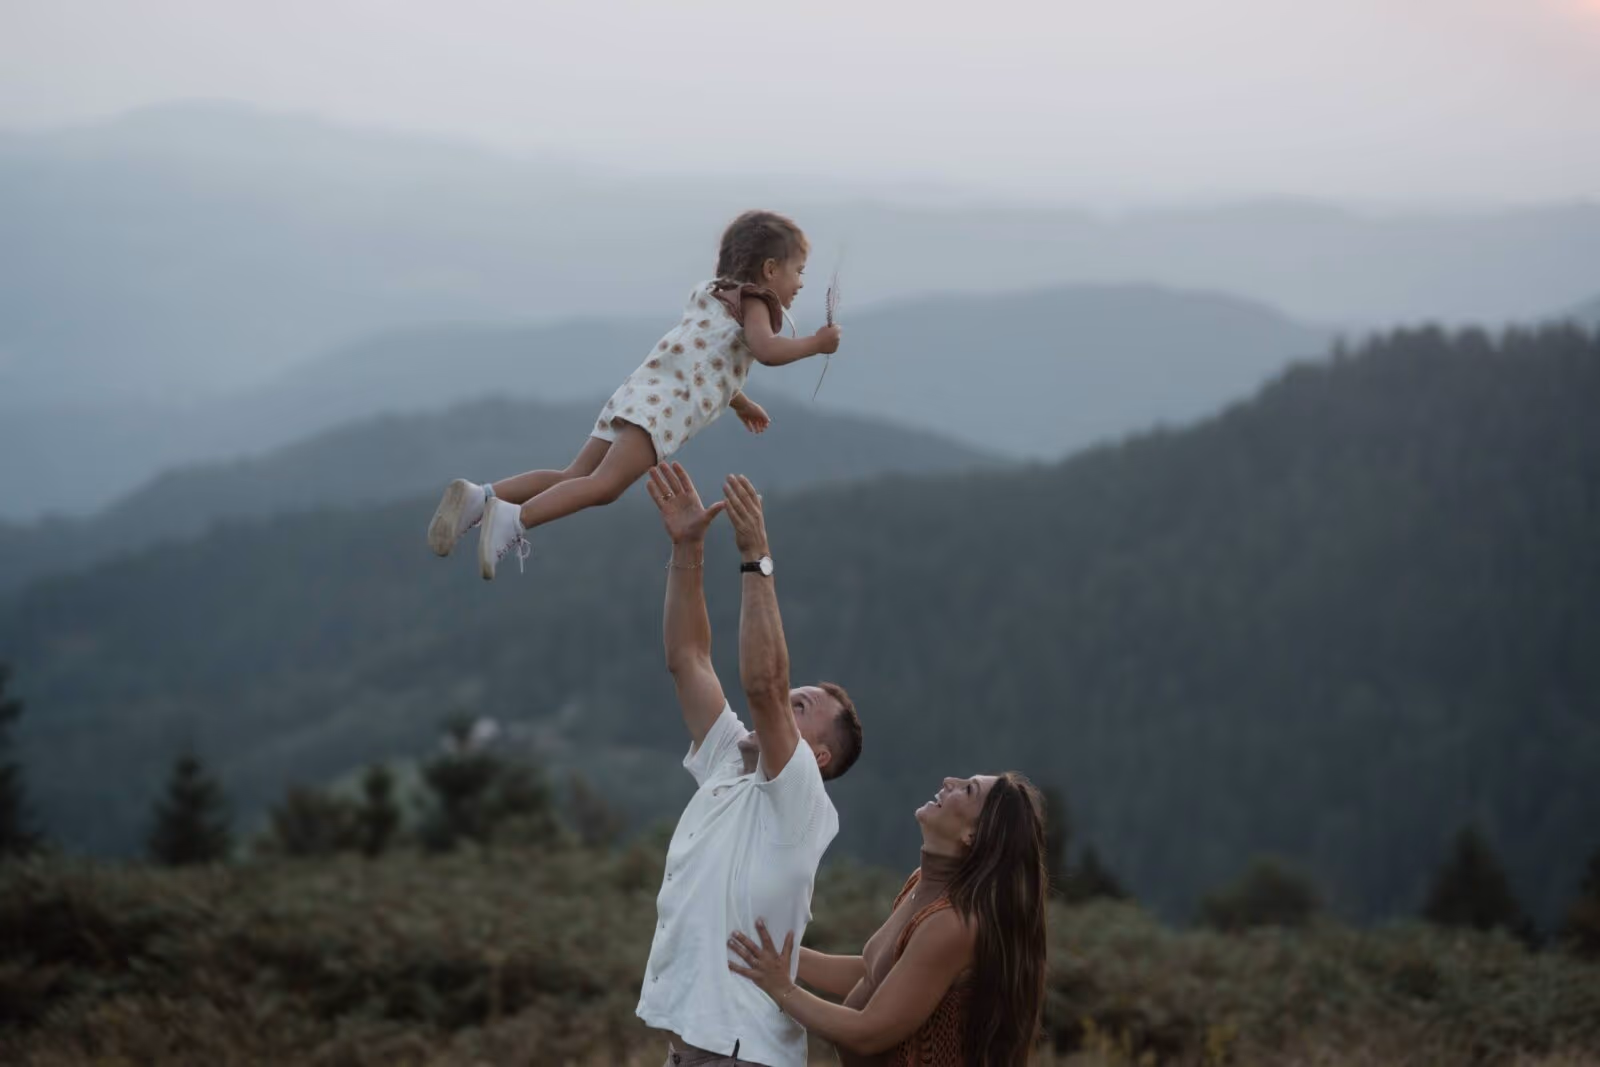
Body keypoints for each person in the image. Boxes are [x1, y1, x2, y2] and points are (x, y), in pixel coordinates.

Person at [425, 210, 842, 579]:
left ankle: (483, 497)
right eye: (799, 271)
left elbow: (706, 359)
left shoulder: (716, 293)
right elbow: (767, 350)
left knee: (574, 476)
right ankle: (514, 521)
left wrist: (741, 401)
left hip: (638, 393)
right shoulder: (757, 303)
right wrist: (815, 344)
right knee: (604, 487)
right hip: (664, 410)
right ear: (770, 269)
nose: (801, 283)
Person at [637, 463, 865, 1067]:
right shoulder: (730, 765)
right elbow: (688, 658)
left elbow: (764, 683)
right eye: (801, 691)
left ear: (816, 758)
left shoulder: (801, 801)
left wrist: (756, 555)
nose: (795, 696)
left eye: (808, 705)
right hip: (691, 1051)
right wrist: (687, 549)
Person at [729, 771, 1049, 1067]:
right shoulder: (922, 882)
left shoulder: (953, 922)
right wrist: (775, 956)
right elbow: (873, 972)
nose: (949, 780)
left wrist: (782, 988)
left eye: (968, 789)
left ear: (972, 834)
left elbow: (869, 1033)